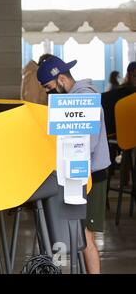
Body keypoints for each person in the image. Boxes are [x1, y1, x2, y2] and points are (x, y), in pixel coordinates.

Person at [37, 56, 111, 274]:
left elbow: (86, 142)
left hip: (90, 176)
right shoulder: (73, 98)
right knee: (77, 233)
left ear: (61, 78)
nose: (49, 93)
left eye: (50, 87)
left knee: (85, 235)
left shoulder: (85, 98)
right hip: (77, 174)